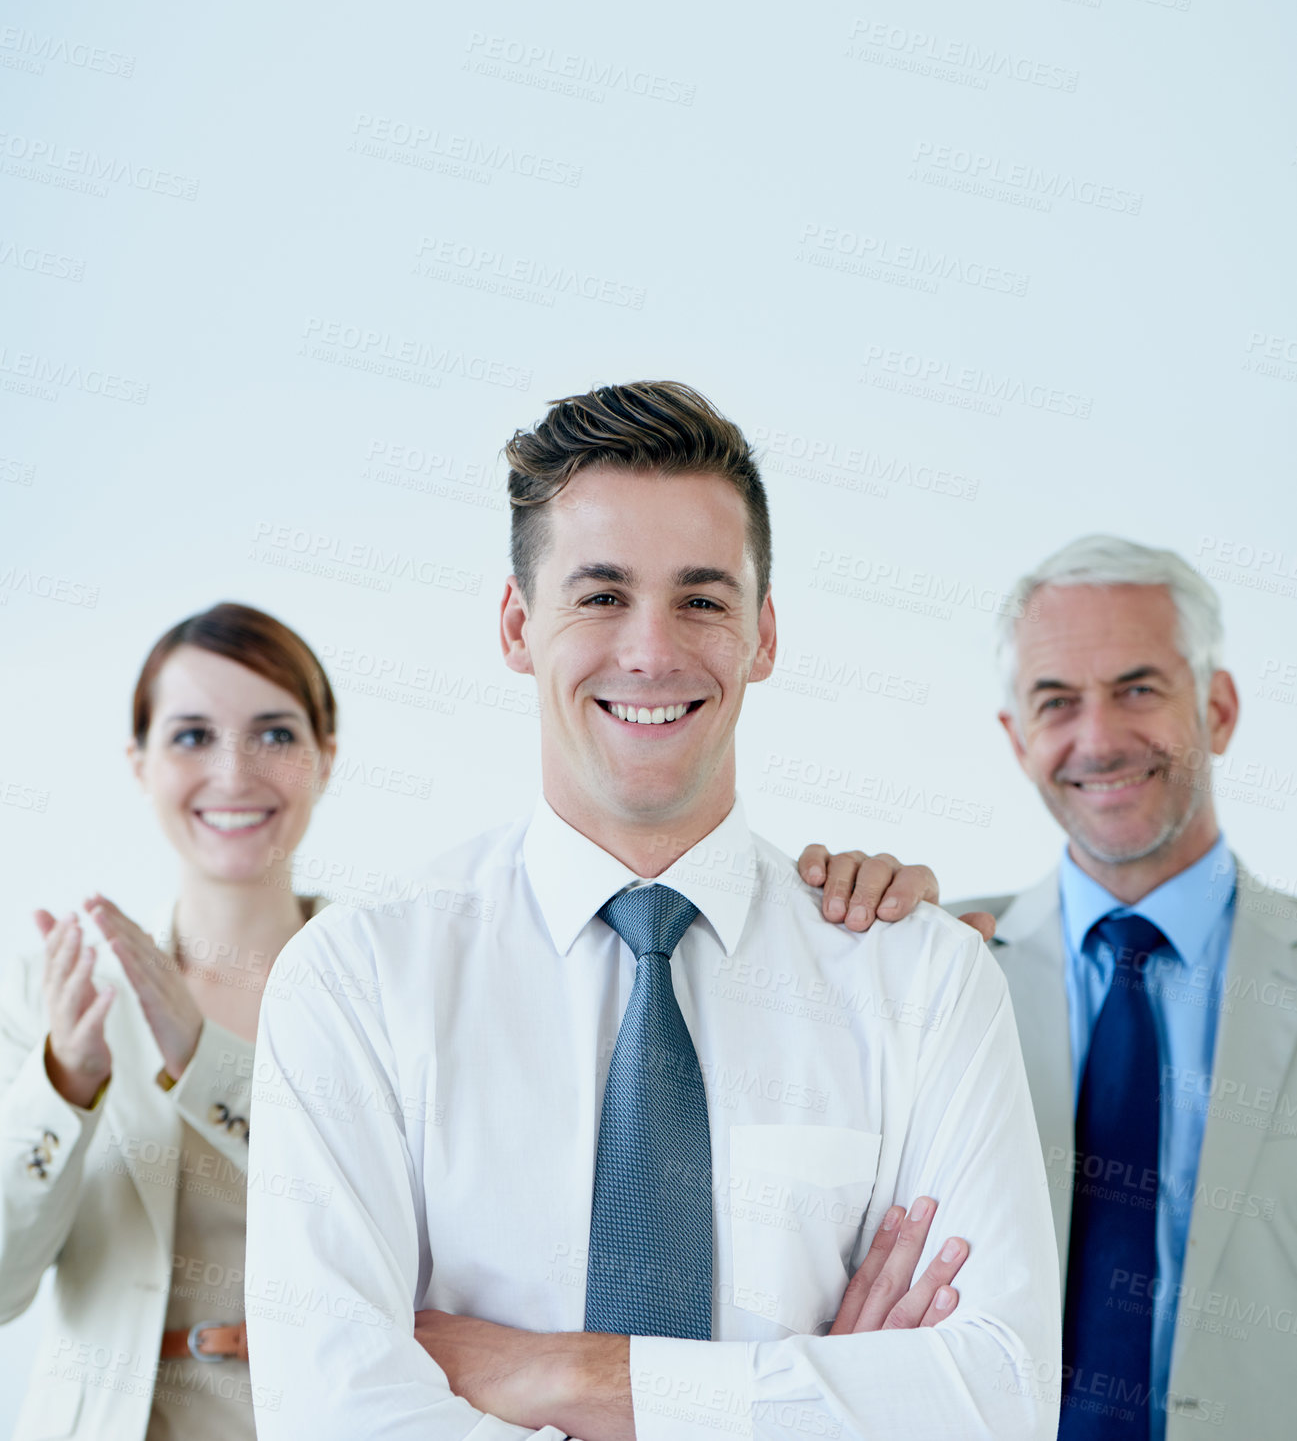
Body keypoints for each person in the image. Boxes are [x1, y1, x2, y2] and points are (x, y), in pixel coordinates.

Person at [246, 381, 1060, 1441]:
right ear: (514, 624)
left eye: (702, 599)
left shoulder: (921, 981)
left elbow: (994, 1399)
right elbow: (333, 1415)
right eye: (598, 595)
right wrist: (816, 1397)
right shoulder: (357, 981)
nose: (650, 651)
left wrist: (568, 1378)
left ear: (763, 636)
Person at [809, 536, 1296, 1440]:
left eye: (1138, 688)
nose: (1099, 737)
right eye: (1056, 701)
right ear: (1017, 736)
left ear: (1218, 708)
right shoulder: (926, 959)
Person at [0, 603, 337, 1440]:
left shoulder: (380, 990)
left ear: (325, 756)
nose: (232, 772)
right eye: (190, 736)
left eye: (274, 733)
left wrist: (204, 1060)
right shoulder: (53, 989)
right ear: (139, 763)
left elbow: (405, 1244)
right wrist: (65, 1084)